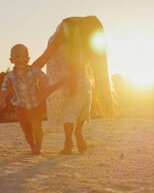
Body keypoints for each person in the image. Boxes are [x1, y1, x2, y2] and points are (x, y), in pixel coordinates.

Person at [33, 16, 115, 154]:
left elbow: (80, 66)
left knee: (80, 101)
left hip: (76, 73)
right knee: (71, 108)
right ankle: (70, 139)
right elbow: (44, 58)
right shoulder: (65, 32)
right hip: (60, 73)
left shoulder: (88, 42)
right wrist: (24, 72)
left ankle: (74, 136)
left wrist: (75, 79)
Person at [0, 44, 64, 155]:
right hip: (20, 106)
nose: (21, 59)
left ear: (28, 58)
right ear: (11, 60)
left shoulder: (34, 70)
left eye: (24, 56)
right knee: (26, 130)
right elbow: (4, 87)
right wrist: (1, 99)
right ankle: (32, 145)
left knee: (37, 126)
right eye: (17, 56)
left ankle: (38, 146)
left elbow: (44, 77)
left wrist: (43, 85)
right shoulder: (9, 76)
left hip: (35, 104)